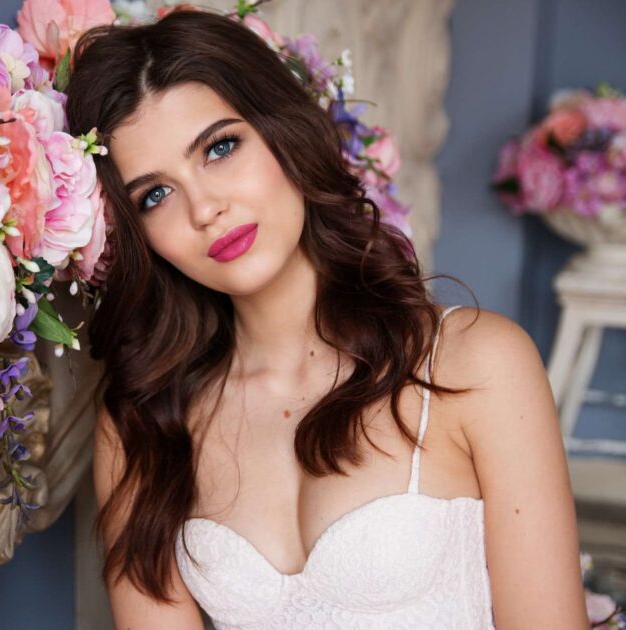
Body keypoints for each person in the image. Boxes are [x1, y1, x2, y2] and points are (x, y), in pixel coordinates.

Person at [64, 8, 589, 629]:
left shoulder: (477, 362)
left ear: (286, 134)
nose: (205, 208)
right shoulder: (142, 423)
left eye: (220, 148)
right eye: (155, 194)